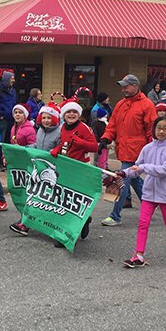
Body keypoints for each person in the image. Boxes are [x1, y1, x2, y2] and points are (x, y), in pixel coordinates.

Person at [117, 116, 166, 267]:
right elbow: (136, 168)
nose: (161, 131)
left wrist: (144, 168)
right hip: (149, 193)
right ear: (153, 129)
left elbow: (165, 170)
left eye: (165, 128)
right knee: (143, 223)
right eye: (159, 128)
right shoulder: (147, 148)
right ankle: (138, 255)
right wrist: (123, 173)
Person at [99, 74, 156, 226]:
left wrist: (152, 151)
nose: (123, 89)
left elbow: (151, 130)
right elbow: (112, 125)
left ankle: (115, 216)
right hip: (124, 150)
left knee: (122, 180)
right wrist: (105, 138)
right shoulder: (120, 104)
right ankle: (149, 207)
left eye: (126, 86)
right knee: (134, 179)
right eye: (122, 86)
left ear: (135, 86)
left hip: (137, 151)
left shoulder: (147, 105)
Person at [50, 100, 98, 245]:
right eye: (68, 112)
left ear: (79, 114)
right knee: (65, 200)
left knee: (75, 201)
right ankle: (74, 226)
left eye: (74, 112)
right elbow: (63, 143)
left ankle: (72, 232)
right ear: (64, 115)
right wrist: (57, 150)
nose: (71, 114)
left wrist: (80, 143)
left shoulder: (84, 128)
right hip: (67, 168)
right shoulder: (63, 127)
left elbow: (94, 147)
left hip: (81, 168)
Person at [9, 104, 61, 236]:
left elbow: (59, 151)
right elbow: (37, 146)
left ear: (54, 119)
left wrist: (51, 153)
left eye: (49, 118)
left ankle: (79, 224)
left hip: (52, 173)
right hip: (38, 169)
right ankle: (25, 224)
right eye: (43, 118)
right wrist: (25, 148)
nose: (46, 120)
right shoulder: (40, 130)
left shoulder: (59, 132)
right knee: (33, 197)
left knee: (51, 202)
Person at [0, 71, 17, 169]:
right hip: (2, 119)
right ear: (6, 79)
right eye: (11, 79)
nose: (13, 81)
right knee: (0, 140)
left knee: (8, 140)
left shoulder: (13, 91)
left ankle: (5, 160)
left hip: (11, 119)